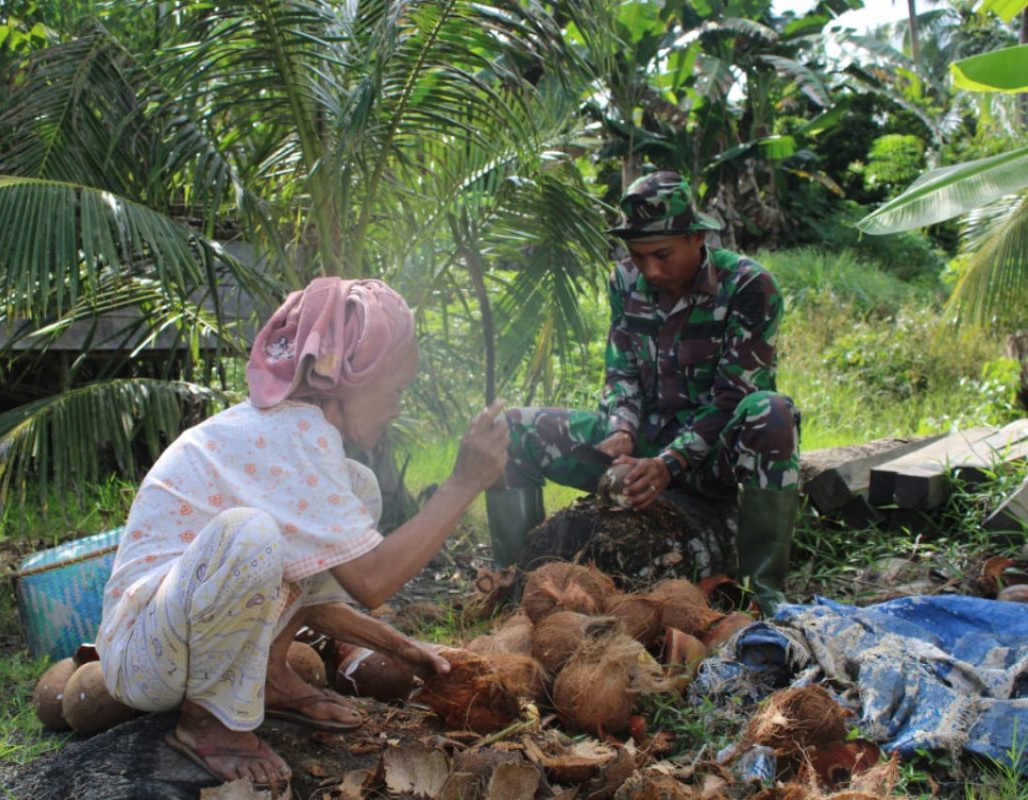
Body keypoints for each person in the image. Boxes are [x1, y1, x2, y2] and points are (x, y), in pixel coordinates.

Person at [95, 277, 509, 786]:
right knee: (250, 536)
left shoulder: (303, 438)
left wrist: (395, 646)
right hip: (144, 658)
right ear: (354, 378)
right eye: (397, 390)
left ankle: (267, 677)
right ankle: (208, 724)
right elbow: (371, 582)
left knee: (357, 491)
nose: (398, 407)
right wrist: (463, 484)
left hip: (177, 640)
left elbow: (291, 587)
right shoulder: (290, 437)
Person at [487, 170, 800, 613]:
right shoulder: (625, 281)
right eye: (638, 256)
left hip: (713, 458)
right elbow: (622, 372)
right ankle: (513, 586)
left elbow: (733, 397)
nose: (650, 270)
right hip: (645, 444)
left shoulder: (749, 286)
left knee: (772, 412)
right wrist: (621, 429)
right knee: (509, 429)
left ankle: (764, 595)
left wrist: (670, 463)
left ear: (696, 238)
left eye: (662, 255)